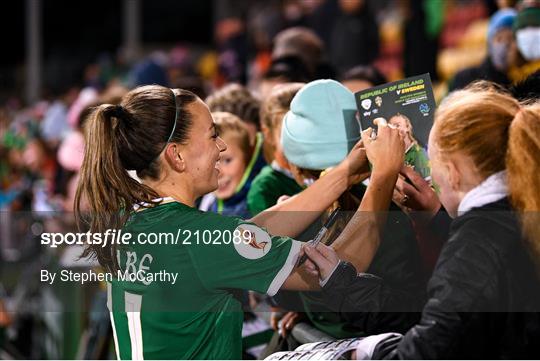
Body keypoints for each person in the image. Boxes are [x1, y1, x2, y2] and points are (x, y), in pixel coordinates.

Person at [74, 84, 406, 359]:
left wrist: (345, 173)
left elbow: (253, 232)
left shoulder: (130, 220)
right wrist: (384, 174)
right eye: (212, 135)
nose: (220, 147)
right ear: (176, 155)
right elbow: (341, 268)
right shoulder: (198, 239)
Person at [303, 83, 540, 359]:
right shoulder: (514, 214)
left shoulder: (476, 246)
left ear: (452, 173)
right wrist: (438, 219)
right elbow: (445, 311)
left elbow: (432, 347)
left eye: (435, 168)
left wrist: (369, 351)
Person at [271, 80, 424, 340]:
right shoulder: (393, 211)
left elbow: (282, 289)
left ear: (294, 164)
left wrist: (307, 314)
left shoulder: (288, 219)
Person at [248, 83, 304, 216]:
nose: (301, 140)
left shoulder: (330, 171)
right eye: (289, 133)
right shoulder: (265, 186)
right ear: (268, 134)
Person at [198, 112, 254, 218]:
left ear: (246, 158)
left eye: (227, 160)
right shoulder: (205, 201)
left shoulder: (257, 203)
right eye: (210, 162)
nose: (219, 173)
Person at [449, 8, 517, 91]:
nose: (505, 45)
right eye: (499, 39)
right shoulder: (465, 78)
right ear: (490, 42)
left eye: (511, 39)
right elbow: (434, 102)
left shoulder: (519, 82)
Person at [388, 113, 431, 180]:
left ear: (407, 127)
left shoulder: (418, 153)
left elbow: (428, 185)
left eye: (397, 125)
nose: (394, 129)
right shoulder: (393, 155)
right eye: (390, 126)